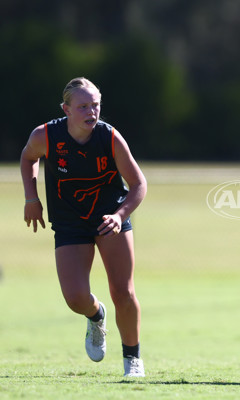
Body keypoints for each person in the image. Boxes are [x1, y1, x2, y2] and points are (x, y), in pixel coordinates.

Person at [20, 77, 147, 377]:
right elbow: (28, 158)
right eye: (83, 107)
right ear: (66, 109)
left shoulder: (110, 138)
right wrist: (31, 198)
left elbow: (138, 184)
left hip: (109, 220)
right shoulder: (46, 136)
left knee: (123, 292)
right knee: (75, 297)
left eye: (96, 105)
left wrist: (120, 215)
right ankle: (95, 315)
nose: (92, 112)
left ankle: (133, 359)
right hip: (69, 222)